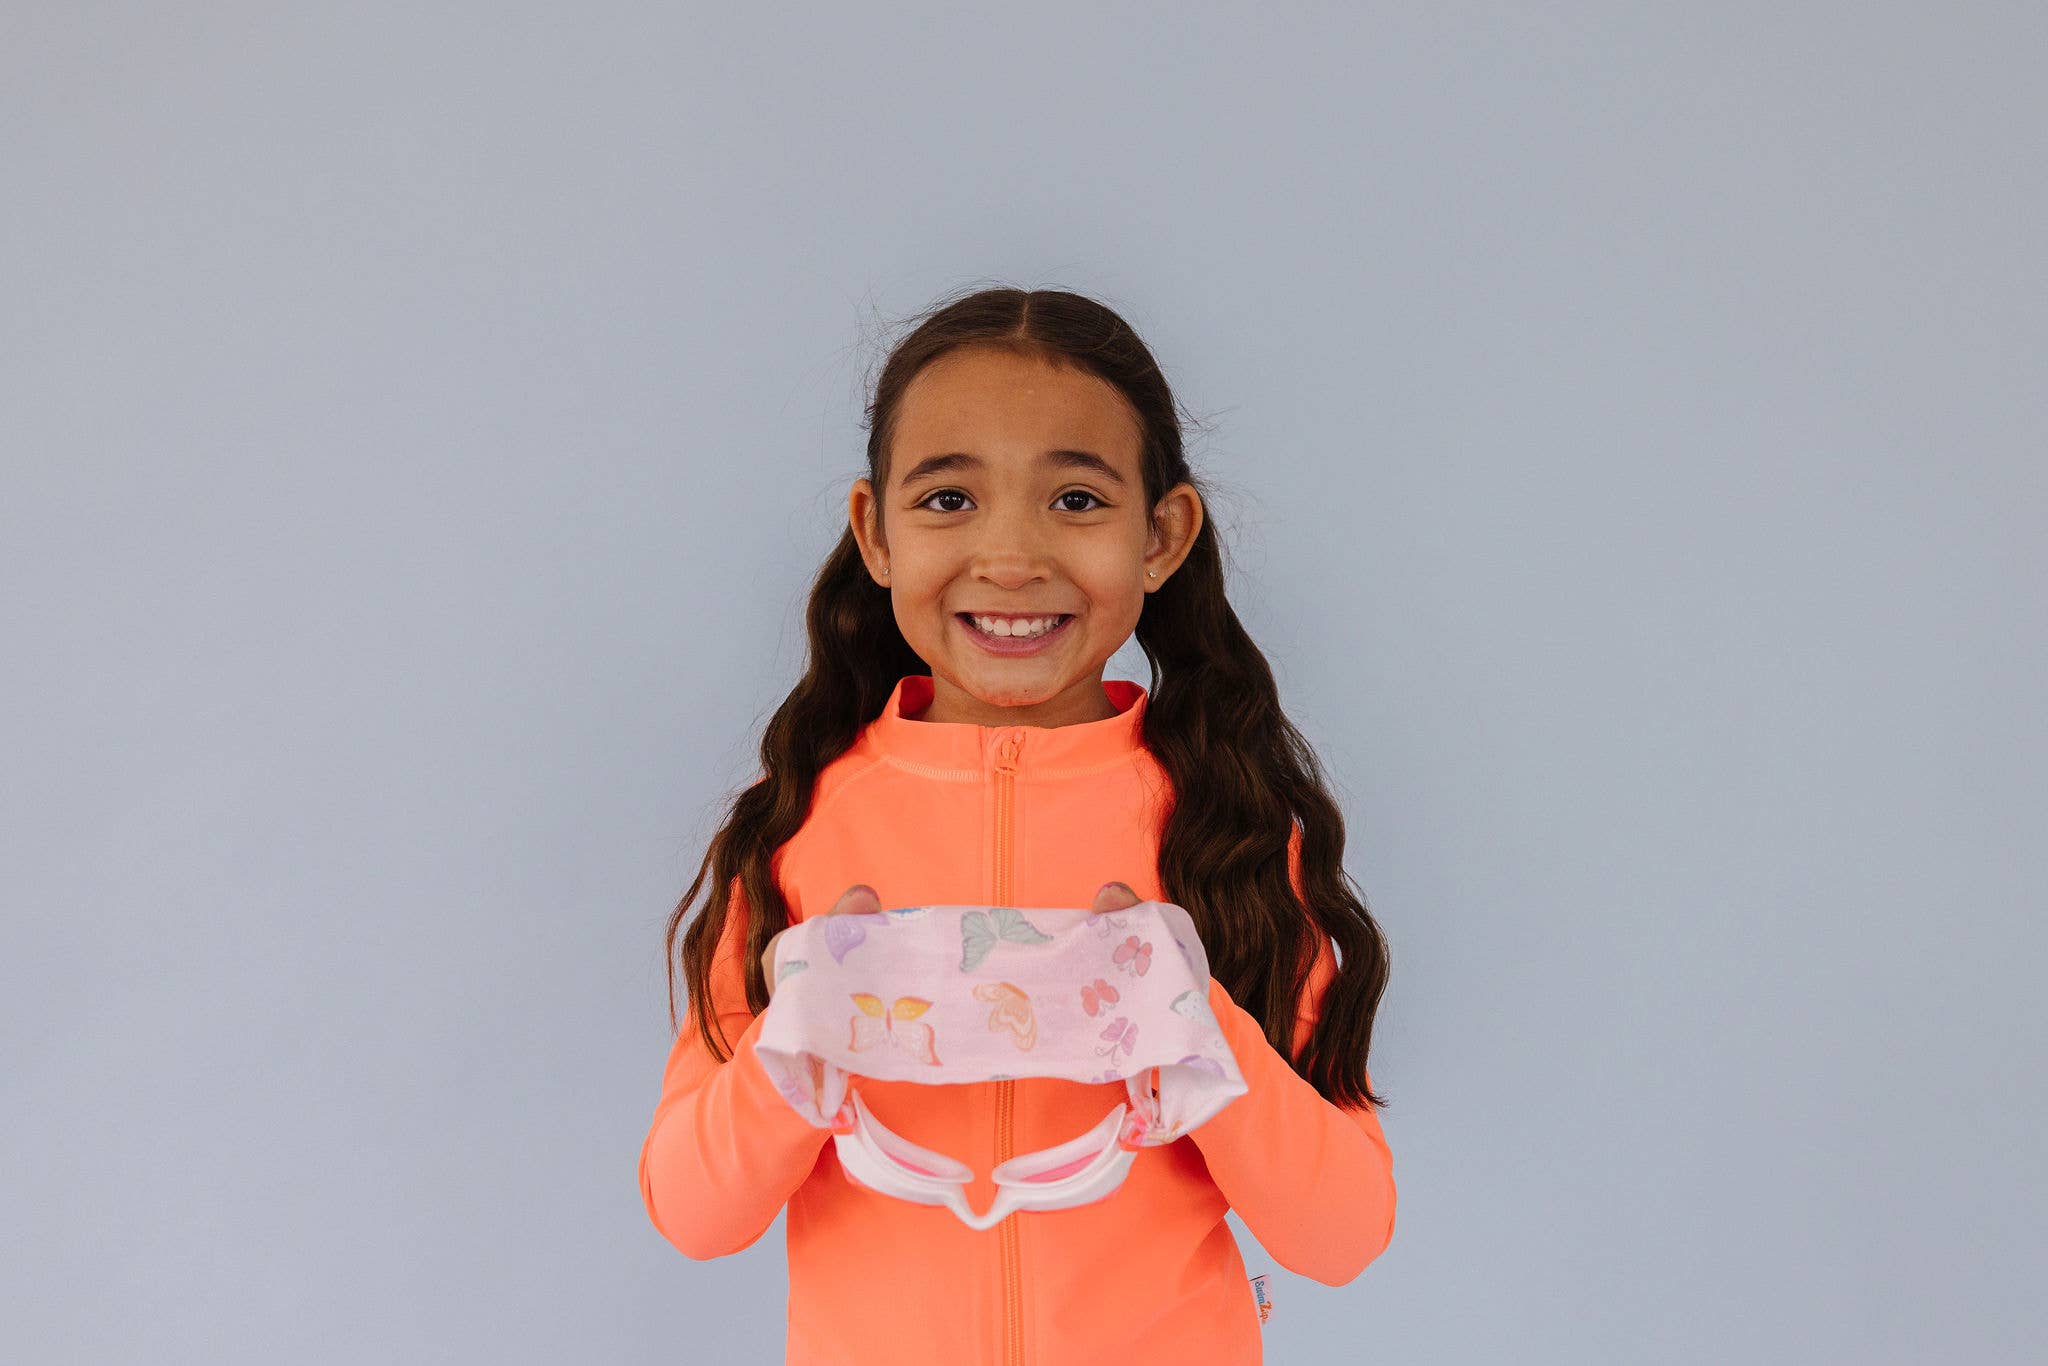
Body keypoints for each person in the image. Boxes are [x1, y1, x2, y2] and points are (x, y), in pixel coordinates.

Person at [638, 285, 1396, 1364]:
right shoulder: (799, 831)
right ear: (875, 532)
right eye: (948, 499)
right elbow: (692, 1213)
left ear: (1162, 535)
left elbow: (1343, 1233)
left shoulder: (1223, 834)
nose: (1009, 556)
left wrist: (1199, 1032)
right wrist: (791, 1047)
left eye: (1075, 500)